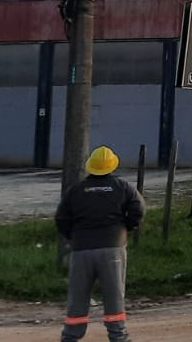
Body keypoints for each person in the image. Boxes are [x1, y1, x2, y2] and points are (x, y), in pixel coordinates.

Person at [57, 146, 145, 342]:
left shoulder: (76, 191)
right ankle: (118, 336)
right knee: (114, 294)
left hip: (81, 250)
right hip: (113, 248)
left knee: (78, 296)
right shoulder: (123, 187)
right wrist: (127, 228)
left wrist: (73, 236)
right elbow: (138, 209)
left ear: (91, 167)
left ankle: (70, 337)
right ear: (112, 166)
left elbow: (62, 218)